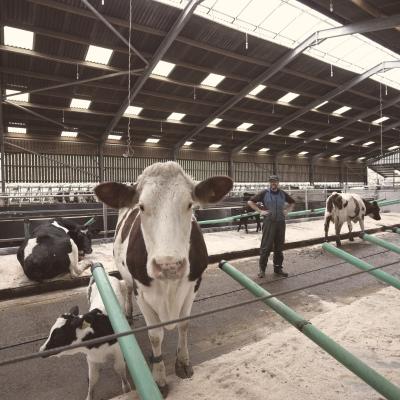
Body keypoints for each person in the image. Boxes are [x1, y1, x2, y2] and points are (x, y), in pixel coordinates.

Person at [247, 175, 295, 278]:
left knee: (279, 247)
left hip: (281, 223)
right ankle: (262, 270)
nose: (274, 183)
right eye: (272, 182)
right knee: (266, 247)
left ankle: (278, 269)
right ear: (269, 183)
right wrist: (260, 211)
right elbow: (250, 202)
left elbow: (292, 202)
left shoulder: (282, 193)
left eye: (275, 181)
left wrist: (287, 211)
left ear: (278, 182)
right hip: (269, 222)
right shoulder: (264, 193)